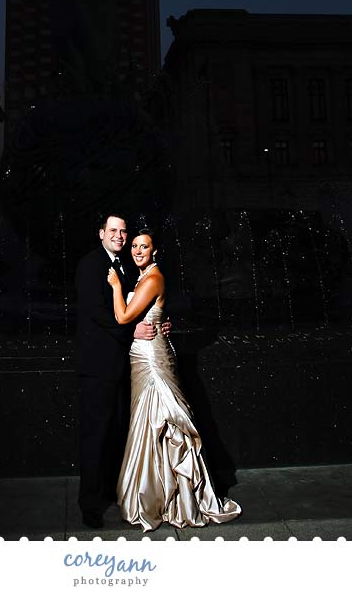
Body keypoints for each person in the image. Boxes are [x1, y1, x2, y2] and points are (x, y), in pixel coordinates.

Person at [108, 228, 242, 532]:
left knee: (165, 422)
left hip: (153, 359)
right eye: (134, 247)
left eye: (144, 247)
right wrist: (162, 320)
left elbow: (124, 317)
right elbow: (152, 313)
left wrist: (116, 287)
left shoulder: (153, 278)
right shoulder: (144, 277)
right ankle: (160, 495)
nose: (138, 251)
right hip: (144, 355)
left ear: (155, 251)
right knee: (150, 423)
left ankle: (178, 499)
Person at [74, 214, 171, 529]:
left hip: (127, 365)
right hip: (98, 366)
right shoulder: (90, 264)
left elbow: (139, 309)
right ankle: (90, 505)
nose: (119, 235)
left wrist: (159, 323)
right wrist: (133, 334)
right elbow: (97, 313)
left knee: (118, 433)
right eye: (112, 230)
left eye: (123, 231)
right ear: (101, 232)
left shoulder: (129, 267)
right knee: (95, 436)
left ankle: (115, 494)